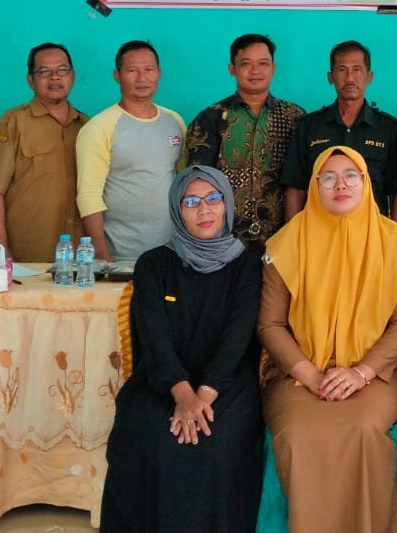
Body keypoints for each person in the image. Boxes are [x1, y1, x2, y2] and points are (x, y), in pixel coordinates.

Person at [258, 147, 397, 533]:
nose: (341, 185)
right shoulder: (286, 243)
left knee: (363, 430)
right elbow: (270, 324)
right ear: (315, 186)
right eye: (328, 178)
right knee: (298, 434)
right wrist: (311, 375)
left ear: (366, 183)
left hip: (373, 376)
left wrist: (361, 373)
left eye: (351, 176)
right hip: (298, 376)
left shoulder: (393, 242)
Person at [100, 165, 263, 532]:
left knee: (217, 443)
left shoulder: (247, 264)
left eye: (213, 199)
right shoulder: (154, 264)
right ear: (177, 209)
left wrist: (204, 394)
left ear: (227, 204)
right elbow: (154, 339)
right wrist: (182, 394)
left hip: (226, 381)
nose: (204, 209)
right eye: (191, 202)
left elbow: (237, 339)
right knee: (153, 438)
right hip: (163, 379)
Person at [183, 33, 305, 252]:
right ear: (232, 69)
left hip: (282, 240)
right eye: (246, 64)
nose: (255, 71)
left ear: (274, 68)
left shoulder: (294, 118)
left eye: (263, 63)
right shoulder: (210, 118)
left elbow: (303, 182)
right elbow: (196, 184)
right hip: (224, 242)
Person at [0, 43, 87, 262]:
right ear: (30, 80)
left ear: (72, 76)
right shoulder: (12, 123)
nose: (55, 77)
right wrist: (0, 251)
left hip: (79, 255)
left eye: (62, 70)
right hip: (27, 254)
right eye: (44, 72)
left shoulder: (87, 126)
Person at [76, 40, 187, 263]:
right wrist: (102, 256)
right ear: (117, 75)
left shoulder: (174, 121)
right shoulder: (99, 127)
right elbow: (89, 195)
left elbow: (185, 183)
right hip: (120, 254)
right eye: (132, 70)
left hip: (171, 251)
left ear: (159, 73)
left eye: (149, 69)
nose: (142, 77)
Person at [282, 40, 397, 224]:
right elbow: (296, 189)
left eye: (357, 69)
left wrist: (395, 237)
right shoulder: (309, 126)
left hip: (372, 233)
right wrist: (294, 235)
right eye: (342, 70)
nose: (350, 78)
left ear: (369, 76)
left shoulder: (388, 128)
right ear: (330, 77)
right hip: (320, 232)